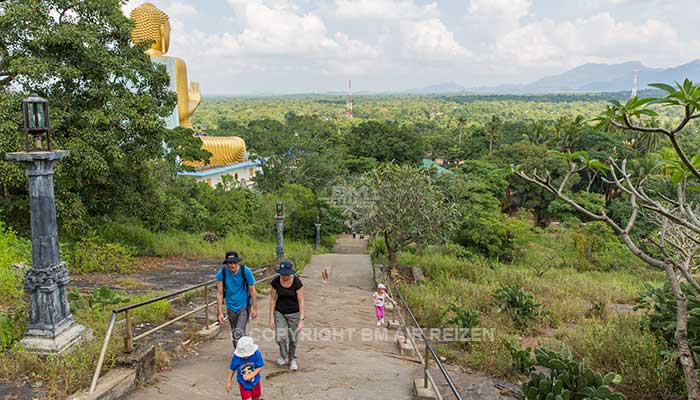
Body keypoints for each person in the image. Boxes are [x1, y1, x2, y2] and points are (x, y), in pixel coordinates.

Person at [217, 251, 257, 349]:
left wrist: (254, 308)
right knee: (235, 333)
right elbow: (219, 292)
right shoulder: (222, 273)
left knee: (238, 332)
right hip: (231, 306)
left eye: (235, 262)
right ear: (227, 264)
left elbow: (252, 290)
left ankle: (243, 357)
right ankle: (241, 352)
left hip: (244, 305)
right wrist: (220, 312)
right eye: (230, 263)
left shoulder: (245, 271)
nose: (233, 265)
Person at [269, 260, 304, 371]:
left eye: (286, 274)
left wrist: (301, 320)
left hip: (294, 313)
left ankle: (292, 358)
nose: (284, 276)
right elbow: (273, 300)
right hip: (280, 312)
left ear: (291, 273)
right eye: (282, 274)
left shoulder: (297, 283)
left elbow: (301, 301)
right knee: (280, 337)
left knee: (293, 339)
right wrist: (271, 318)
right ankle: (284, 356)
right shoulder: (276, 282)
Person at [226, 336, 264, 400]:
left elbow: (259, 366)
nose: (244, 356)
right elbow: (232, 369)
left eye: (246, 355)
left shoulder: (257, 353)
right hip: (243, 383)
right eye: (242, 355)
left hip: (255, 381)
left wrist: (252, 375)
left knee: (256, 396)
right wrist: (228, 382)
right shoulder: (236, 357)